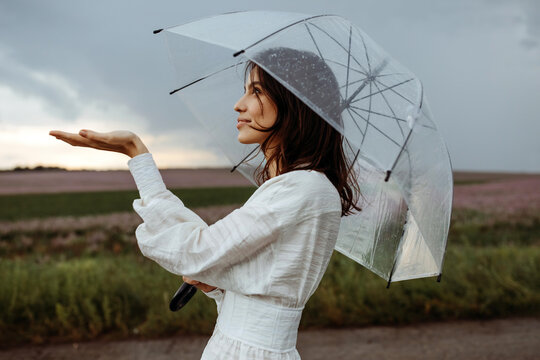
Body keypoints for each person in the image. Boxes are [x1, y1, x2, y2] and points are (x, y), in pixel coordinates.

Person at [50, 48, 360, 360]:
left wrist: (136, 152)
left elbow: (196, 251)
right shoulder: (296, 188)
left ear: (295, 103)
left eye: (256, 91)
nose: (239, 105)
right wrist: (214, 286)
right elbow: (252, 299)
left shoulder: (301, 189)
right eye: (245, 91)